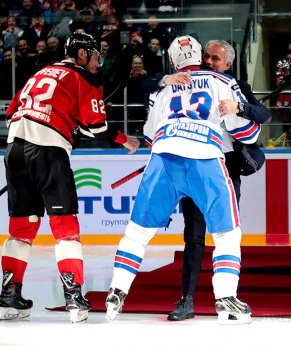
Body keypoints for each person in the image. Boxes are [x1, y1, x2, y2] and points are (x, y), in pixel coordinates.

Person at [105, 35, 259, 325]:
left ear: (173, 61)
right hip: (206, 159)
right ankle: (226, 299)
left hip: (164, 159)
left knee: (138, 233)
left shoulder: (162, 89)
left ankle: (117, 291)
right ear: (200, 56)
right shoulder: (223, 83)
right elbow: (248, 134)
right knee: (227, 233)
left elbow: (150, 135)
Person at [0, 31, 140, 324]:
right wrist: (126, 140)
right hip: (48, 151)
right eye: (96, 55)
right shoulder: (84, 79)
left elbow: (12, 112)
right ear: (82, 54)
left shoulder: (40, 72)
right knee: (66, 228)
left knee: (21, 229)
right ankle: (74, 297)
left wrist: (68, 125)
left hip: (14, 148)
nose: (99, 62)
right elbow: (96, 128)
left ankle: (9, 294)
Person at [142, 39, 270, 321]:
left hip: (223, 168)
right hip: (193, 164)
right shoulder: (187, 80)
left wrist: (239, 107)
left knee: (226, 234)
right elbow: (145, 84)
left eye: (215, 59)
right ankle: (186, 300)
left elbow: (264, 114)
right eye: (207, 57)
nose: (209, 62)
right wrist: (165, 78)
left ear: (228, 64)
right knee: (194, 235)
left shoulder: (233, 84)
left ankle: (228, 297)